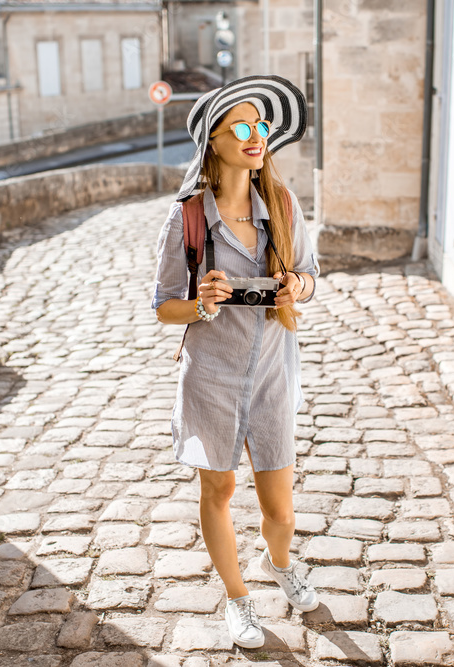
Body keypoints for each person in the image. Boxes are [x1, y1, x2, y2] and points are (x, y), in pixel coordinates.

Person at [151, 75, 320, 649]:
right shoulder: (188, 218)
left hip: (273, 372)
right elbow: (164, 307)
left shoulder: (283, 203)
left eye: (262, 126)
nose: (256, 136)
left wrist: (297, 284)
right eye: (242, 127)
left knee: (281, 508)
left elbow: (313, 277)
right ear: (215, 143)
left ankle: (279, 563)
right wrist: (201, 302)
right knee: (218, 492)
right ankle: (238, 598)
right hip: (211, 376)